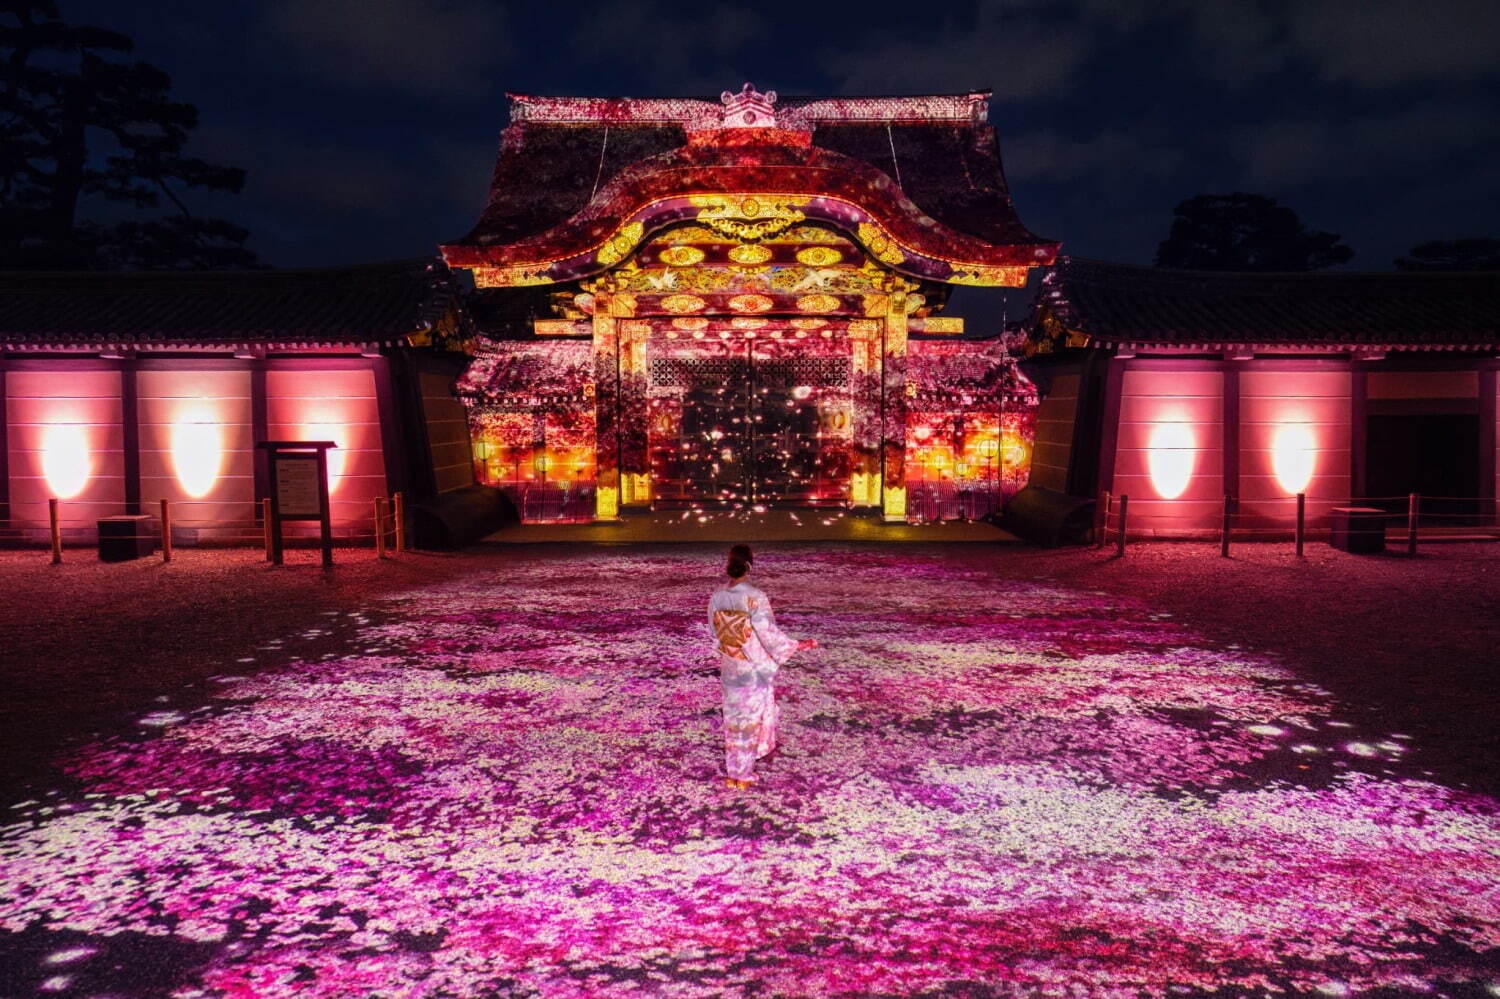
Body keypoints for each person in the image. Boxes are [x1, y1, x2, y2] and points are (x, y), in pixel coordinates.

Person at [708, 545, 817, 789]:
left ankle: (733, 772)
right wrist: (796, 645)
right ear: (750, 565)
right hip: (753, 666)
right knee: (749, 719)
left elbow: (715, 631)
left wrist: (731, 647)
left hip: (730, 664)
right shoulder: (755, 597)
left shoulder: (718, 596)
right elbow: (768, 634)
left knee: (734, 718)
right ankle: (743, 775)